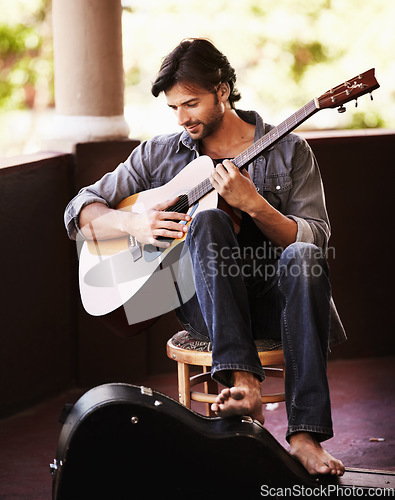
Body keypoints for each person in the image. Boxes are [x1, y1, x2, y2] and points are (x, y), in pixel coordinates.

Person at [64, 38, 347, 476]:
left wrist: (255, 205)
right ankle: (243, 381)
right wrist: (133, 224)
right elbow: (80, 209)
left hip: (279, 302)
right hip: (207, 305)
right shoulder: (159, 153)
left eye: (191, 103)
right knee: (210, 222)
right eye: (174, 107)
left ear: (223, 90)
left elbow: (316, 237)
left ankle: (305, 436)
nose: (183, 118)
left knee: (304, 255)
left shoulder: (290, 151)